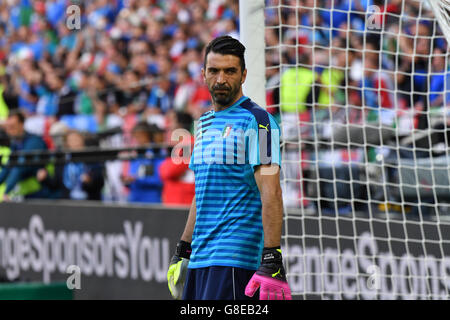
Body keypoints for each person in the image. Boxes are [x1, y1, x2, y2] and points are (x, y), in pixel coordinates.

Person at [167, 36, 292, 300]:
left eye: (230, 71)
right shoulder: (202, 123)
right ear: (203, 74)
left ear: (244, 74)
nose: (221, 79)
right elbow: (202, 192)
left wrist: (271, 257)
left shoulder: (260, 122)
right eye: (214, 71)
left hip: (235, 261)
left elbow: (271, 191)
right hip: (201, 259)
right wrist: (184, 248)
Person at [0, 110, 49, 201]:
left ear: (22, 124)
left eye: (12, 126)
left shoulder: (34, 141)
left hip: (41, 189)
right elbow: (7, 167)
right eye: (7, 127)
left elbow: (20, 166)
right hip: (24, 192)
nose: (9, 130)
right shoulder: (15, 144)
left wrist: (6, 192)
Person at [121, 122, 164, 203]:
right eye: (135, 137)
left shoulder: (157, 152)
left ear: (147, 135)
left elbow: (159, 179)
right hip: (134, 199)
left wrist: (137, 179)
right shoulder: (136, 153)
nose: (137, 140)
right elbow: (132, 174)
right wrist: (127, 180)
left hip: (151, 199)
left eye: (139, 136)